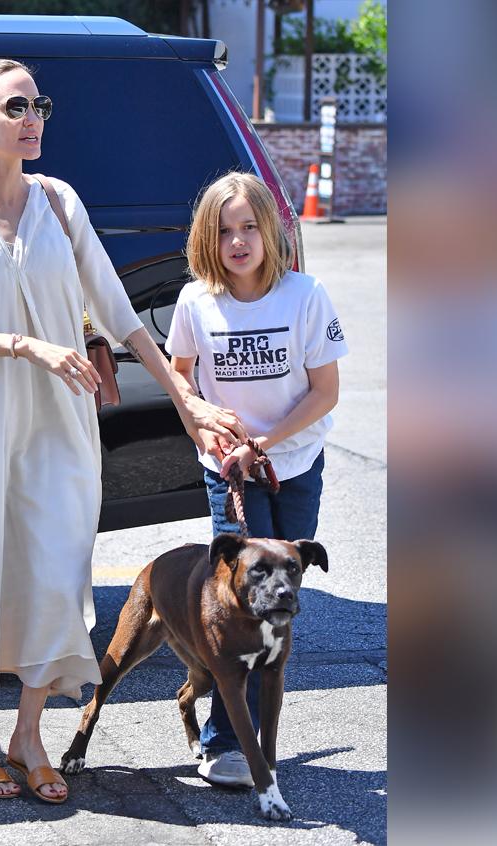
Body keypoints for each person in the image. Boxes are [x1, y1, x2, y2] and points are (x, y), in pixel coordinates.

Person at [0, 59, 243, 803]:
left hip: (54, 418)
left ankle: (29, 733)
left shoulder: (59, 200)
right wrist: (24, 345)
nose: (33, 117)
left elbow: (118, 314)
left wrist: (190, 405)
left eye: (38, 104)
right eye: (16, 106)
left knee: (54, 571)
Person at [164, 171, 348, 787]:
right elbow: (181, 376)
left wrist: (263, 443)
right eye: (224, 232)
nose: (237, 242)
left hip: (292, 466)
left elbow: (325, 393)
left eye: (248, 228)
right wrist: (205, 430)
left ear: (270, 231)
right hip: (229, 472)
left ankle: (260, 739)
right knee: (233, 602)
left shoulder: (306, 294)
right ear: (206, 239)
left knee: (279, 601)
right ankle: (223, 743)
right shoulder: (196, 303)